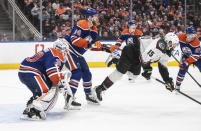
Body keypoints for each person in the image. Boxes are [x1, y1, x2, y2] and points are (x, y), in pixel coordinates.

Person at [94, 32, 179, 102]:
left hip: (138, 56)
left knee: (133, 75)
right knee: (120, 72)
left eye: (175, 44)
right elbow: (145, 58)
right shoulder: (159, 45)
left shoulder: (167, 50)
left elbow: (162, 66)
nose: (175, 46)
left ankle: (118, 61)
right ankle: (99, 89)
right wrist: (147, 70)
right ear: (168, 41)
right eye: (173, 44)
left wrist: (167, 80)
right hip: (132, 50)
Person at [18, 38, 73, 120]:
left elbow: (51, 76)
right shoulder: (56, 54)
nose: (66, 52)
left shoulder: (51, 52)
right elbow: (53, 75)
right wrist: (62, 86)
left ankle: (33, 102)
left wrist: (62, 85)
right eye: (65, 49)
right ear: (60, 48)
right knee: (48, 91)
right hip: (31, 72)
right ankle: (32, 111)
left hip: (28, 71)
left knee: (48, 89)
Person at [63, 8, 106, 108]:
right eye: (95, 16)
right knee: (76, 72)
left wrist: (100, 47)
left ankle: (89, 95)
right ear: (90, 17)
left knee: (87, 73)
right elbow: (74, 39)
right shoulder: (82, 23)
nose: (97, 17)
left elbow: (90, 44)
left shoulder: (94, 29)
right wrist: (89, 44)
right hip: (68, 50)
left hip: (77, 54)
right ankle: (69, 98)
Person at [175, 27, 201, 91]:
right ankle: (177, 85)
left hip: (197, 58)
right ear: (186, 34)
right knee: (182, 69)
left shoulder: (196, 42)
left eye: (194, 35)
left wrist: (186, 62)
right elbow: (174, 41)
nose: (193, 37)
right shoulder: (180, 36)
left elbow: (196, 56)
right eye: (191, 35)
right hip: (186, 55)